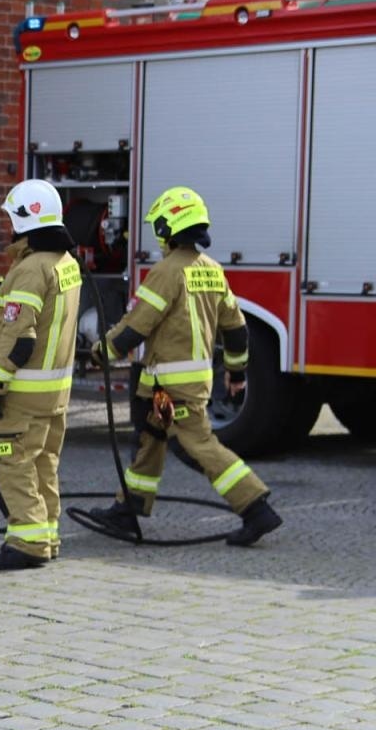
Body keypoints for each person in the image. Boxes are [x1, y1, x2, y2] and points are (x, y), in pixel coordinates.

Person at [85, 187, 282, 546]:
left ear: (168, 228)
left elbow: (136, 326)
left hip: (171, 387)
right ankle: (128, 511)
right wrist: (236, 374)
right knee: (150, 439)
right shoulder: (212, 270)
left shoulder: (166, 271)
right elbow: (237, 330)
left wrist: (102, 351)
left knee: (198, 444)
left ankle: (255, 506)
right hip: (171, 387)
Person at [0, 179, 80, 570]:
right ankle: (46, 536)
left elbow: (21, 337)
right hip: (55, 395)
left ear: (24, 219)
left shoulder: (31, 269)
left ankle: (27, 543)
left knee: (11, 462)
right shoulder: (65, 264)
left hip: (22, 391)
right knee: (43, 465)